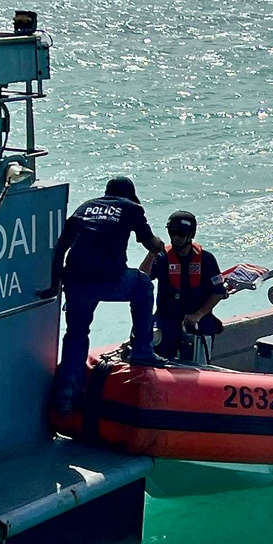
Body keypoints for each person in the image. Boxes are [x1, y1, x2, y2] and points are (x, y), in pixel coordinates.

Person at [38, 177, 165, 414]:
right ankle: (142, 351)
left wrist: (54, 285)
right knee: (143, 286)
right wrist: (159, 244)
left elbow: (60, 249)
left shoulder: (85, 207)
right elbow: (150, 243)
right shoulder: (131, 208)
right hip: (109, 279)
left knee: (76, 333)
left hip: (75, 282)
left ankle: (66, 397)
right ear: (128, 195)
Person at [141, 211, 226, 361]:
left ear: (191, 234)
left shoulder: (206, 259)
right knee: (153, 338)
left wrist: (198, 314)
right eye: (172, 233)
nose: (176, 238)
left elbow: (218, 292)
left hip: (197, 318)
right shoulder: (162, 258)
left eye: (180, 233)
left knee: (205, 333)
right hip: (166, 318)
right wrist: (151, 253)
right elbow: (141, 279)